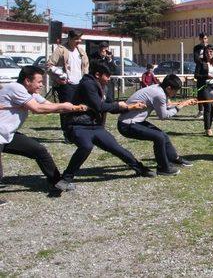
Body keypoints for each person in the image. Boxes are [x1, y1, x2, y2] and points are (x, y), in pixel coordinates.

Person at [58, 62, 156, 187]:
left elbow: (110, 106)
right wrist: (118, 105)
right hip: (78, 125)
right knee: (86, 146)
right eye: (107, 76)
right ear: (97, 74)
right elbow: (99, 106)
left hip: (95, 127)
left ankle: (140, 169)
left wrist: (130, 107)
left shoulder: (105, 86)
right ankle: (66, 179)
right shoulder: (87, 84)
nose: (109, 79)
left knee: (117, 148)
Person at [0, 66, 87, 197]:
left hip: (7, 134)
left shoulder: (30, 93)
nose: (41, 85)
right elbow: (37, 109)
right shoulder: (15, 88)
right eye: (39, 82)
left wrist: (74, 108)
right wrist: (63, 106)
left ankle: (56, 182)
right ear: (27, 81)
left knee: (39, 150)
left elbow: (48, 105)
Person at [117, 75, 197, 175]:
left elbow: (165, 106)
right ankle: (163, 168)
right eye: (175, 91)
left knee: (162, 135)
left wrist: (185, 103)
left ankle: (174, 158)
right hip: (127, 124)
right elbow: (163, 116)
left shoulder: (158, 88)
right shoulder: (159, 94)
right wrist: (180, 106)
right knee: (159, 137)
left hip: (135, 121)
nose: (176, 93)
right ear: (168, 88)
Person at [47, 29, 89, 141]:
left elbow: (86, 67)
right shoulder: (61, 50)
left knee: (79, 109)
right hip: (66, 85)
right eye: (76, 39)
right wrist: (57, 79)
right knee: (67, 109)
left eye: (80, 39)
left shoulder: (81, 51)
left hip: (80, 84)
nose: (79, 41)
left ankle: (77, 132)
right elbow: (49, 66)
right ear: (69, 38)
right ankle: (67, 133)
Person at [195, 46, 213, 137]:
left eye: (211, 52)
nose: (210, 53)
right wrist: (206, 76)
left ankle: (209, 126)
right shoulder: (200, 62)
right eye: (208, 52)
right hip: (204, 87)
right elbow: (196, 75)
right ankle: (208, 129)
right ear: (205, 53)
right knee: (208, 107)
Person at [192, 33, 211, 119]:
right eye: (202, 38)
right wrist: (202, 62)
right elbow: (196, 59)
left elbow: (212, 57)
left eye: (206, 38)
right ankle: (200, 111)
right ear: (199, 39)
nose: (204, 40)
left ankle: (211, 111)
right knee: (200, 92)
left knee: (210, 92)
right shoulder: (196, 48)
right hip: (200, 70)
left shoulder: (210, 47)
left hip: (209, 69)